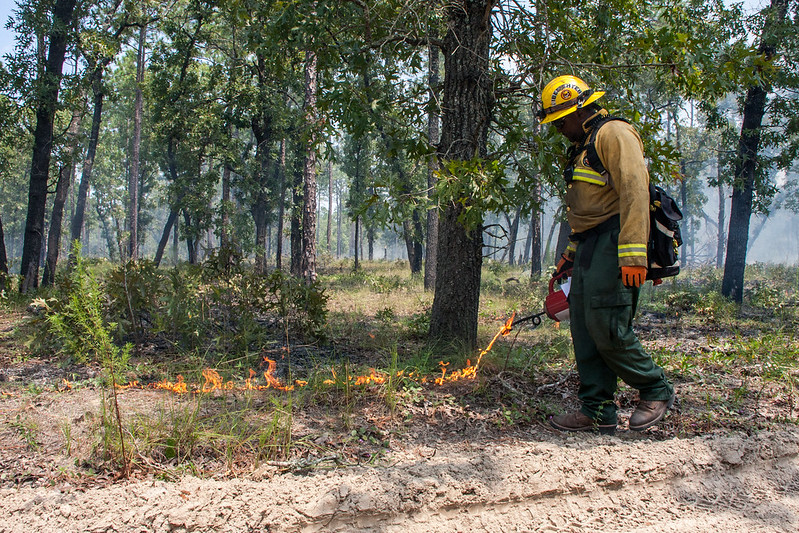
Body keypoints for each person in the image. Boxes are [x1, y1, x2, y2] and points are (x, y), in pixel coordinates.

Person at [539, 74, 675, 434]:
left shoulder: (614, 134)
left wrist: (633, 255)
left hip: (616, 244)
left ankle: (655, 388)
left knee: (607, 325)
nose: (559, 129)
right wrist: (571, 253)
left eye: (561, 121)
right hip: (589, 245)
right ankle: (597, 410)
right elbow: (588, 209)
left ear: (579, 111)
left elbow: (635, 192)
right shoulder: (583, 146)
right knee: (584, 328)